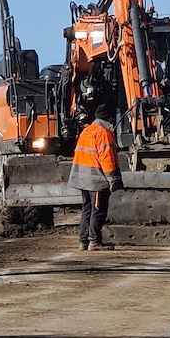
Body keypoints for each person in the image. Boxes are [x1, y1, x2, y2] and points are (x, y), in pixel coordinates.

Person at [67, 103, 123, 251]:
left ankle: (83, 241)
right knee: (98, 210)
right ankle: (94, 241)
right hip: (96, 180)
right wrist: (113, 179)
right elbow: (107, 159)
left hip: (83, 179)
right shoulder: (103, 133)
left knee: (87, 210)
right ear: (109, 118)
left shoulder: (87, 131)